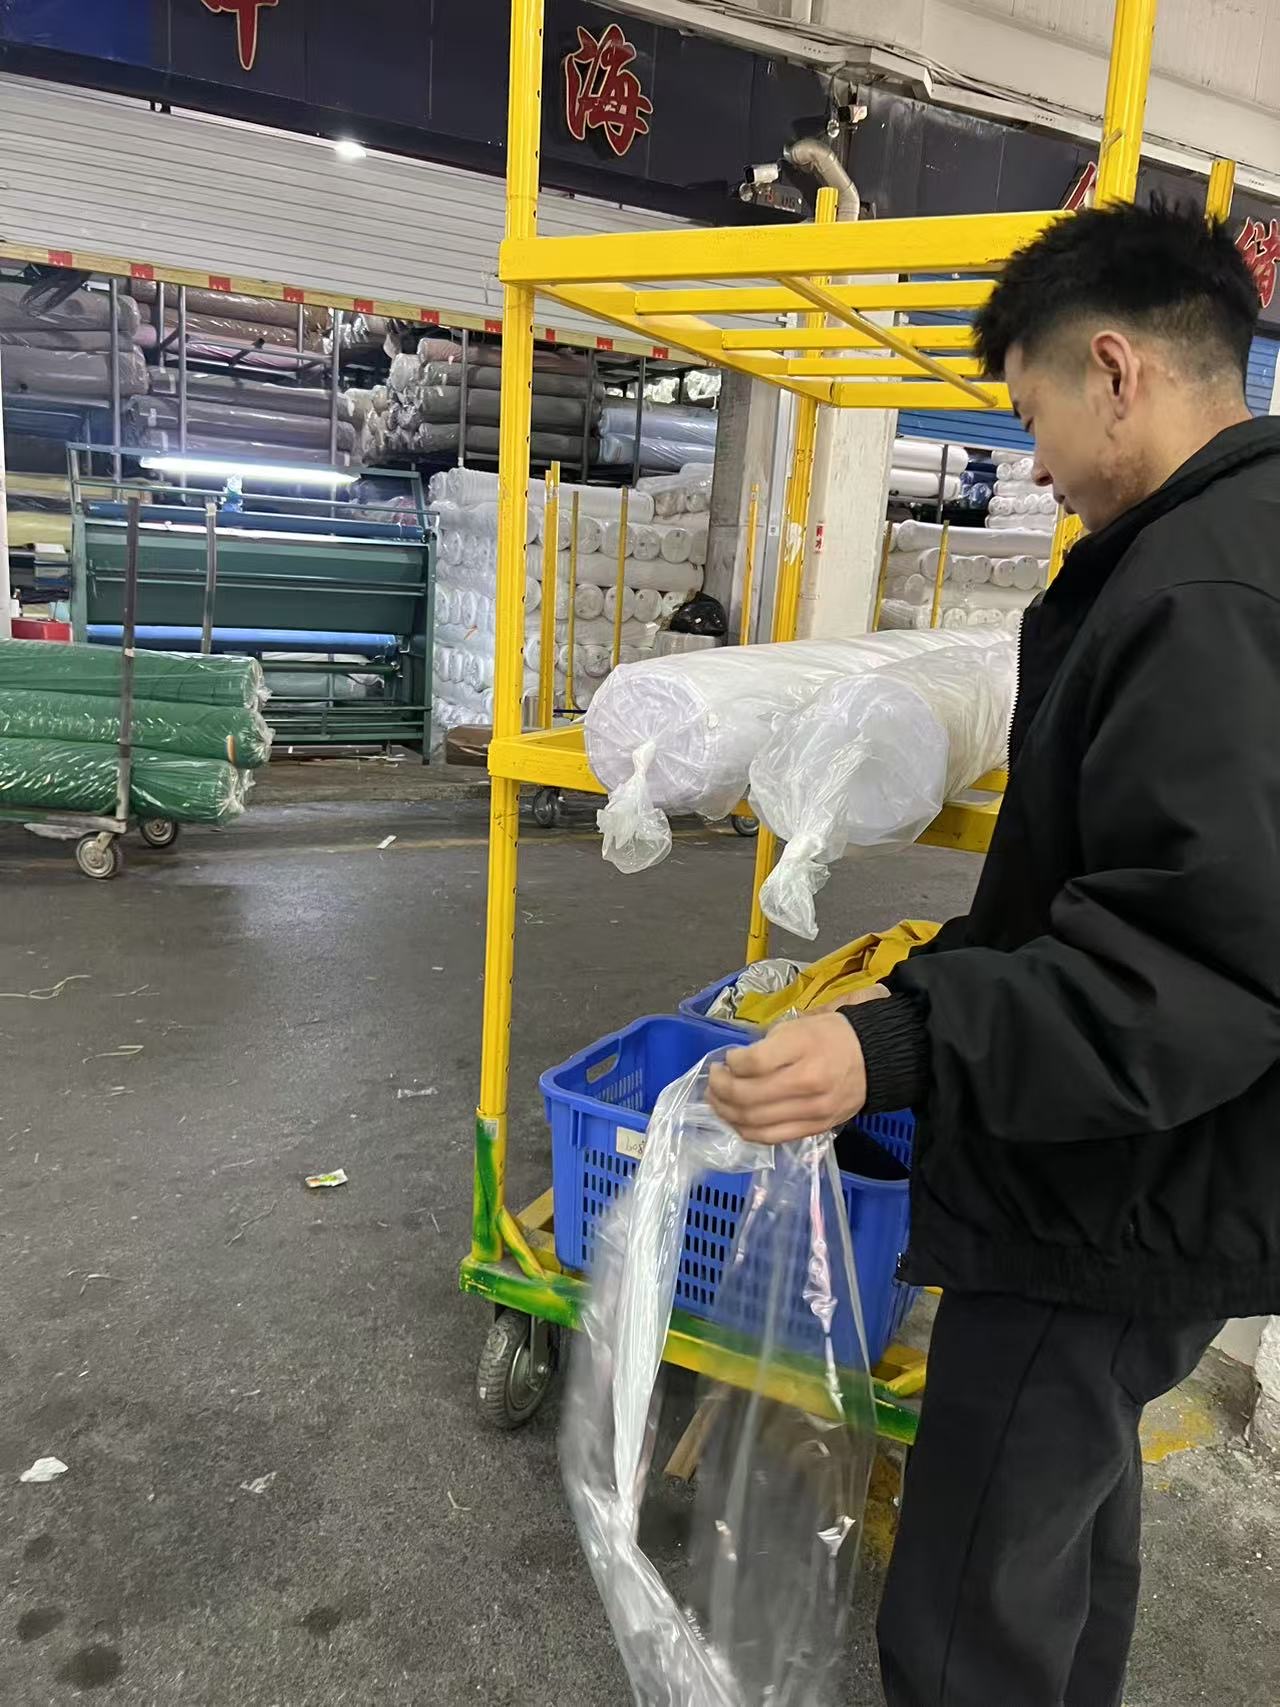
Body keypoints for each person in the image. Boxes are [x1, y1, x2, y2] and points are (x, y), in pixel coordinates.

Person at [708, 200, 1280, 1707]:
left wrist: (896, 1039)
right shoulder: (1226, 552)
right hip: (1161, 1169)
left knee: (971, 1610)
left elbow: (1187, 966)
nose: (1032, 463)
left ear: (1115, 370)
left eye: (1029, 416)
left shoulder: (1202, 590)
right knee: (1060, 1539)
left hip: (1110, 1182)